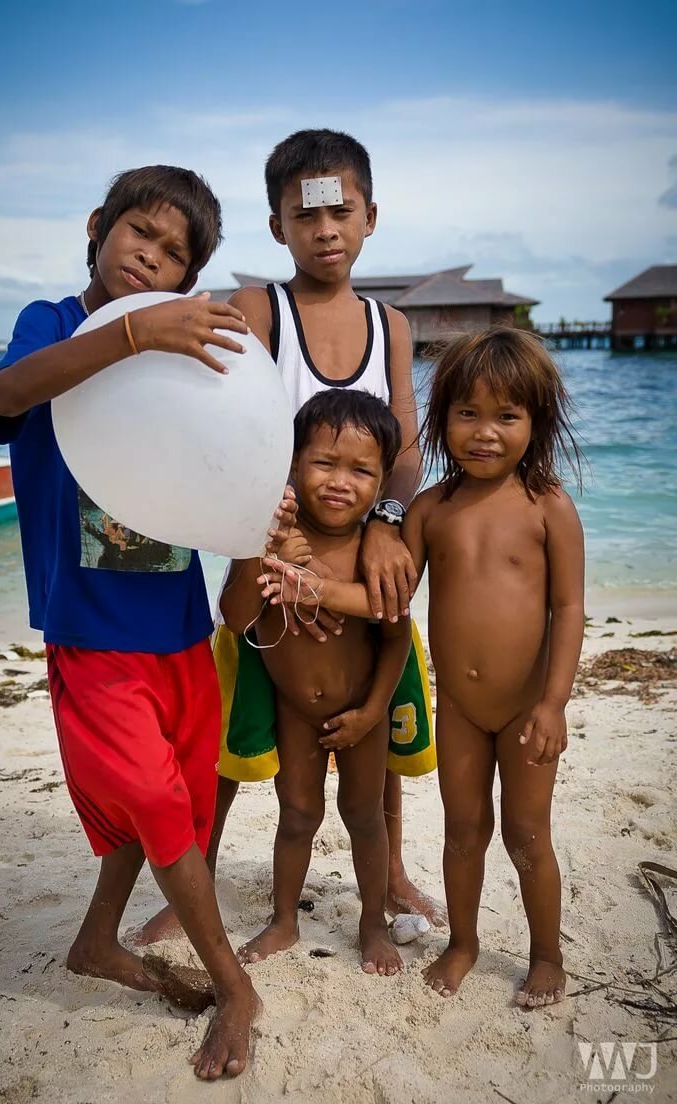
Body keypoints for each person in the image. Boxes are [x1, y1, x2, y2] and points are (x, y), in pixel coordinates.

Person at [0, 165, 263, 1080]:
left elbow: (232, 458)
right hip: (91, 628)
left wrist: (265, 535)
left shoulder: (181, 359)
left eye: (176, 256)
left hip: (177, 623)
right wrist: (136, 331)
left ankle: (98, 940)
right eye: (141, 233)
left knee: (172, 803)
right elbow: (8, 399)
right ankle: (235, 988)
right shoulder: (51, 324)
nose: (153, 257)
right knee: (151, 802)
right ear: (99, 226)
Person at [264, 326, 585, 1007]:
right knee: (462, 832)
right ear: (441, 421)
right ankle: (463, 942)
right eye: (467, 413)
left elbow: (570, 608)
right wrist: (332, 559)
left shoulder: (548, 507)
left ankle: (546, 955)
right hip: (461, 712)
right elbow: (390, 599)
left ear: (537, 421)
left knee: (529, 837)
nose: (485, 433)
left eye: (507, 416)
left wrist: (554, 702)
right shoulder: (433, 509)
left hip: (529, 709)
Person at [172, 128, 441, 931]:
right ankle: (199, 882)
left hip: (358, 571)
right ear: (277, 226)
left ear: (370, 217)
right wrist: (270, 534)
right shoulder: (260, 309)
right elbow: (226, 427)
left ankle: (388, 876)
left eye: (341, 212)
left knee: (373, 738)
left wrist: (391, 522)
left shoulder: (389, 323)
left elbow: (405, 441)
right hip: (269, 562)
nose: (325, 230)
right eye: (305, 214)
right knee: (224, 741)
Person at [223, 388, 413, 974]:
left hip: (362, 711)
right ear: (293, 465)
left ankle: (372, 925)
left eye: (361, 470)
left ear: (381, 486)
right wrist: (262, 548)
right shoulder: (267, 537)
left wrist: (374, 709)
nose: (339, 481)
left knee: (363, 816)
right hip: (293, 710)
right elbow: (234, 617)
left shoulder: (374, 553)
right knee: (297, 814)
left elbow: (397, 635)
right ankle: (284, 921)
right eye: (324, 463)